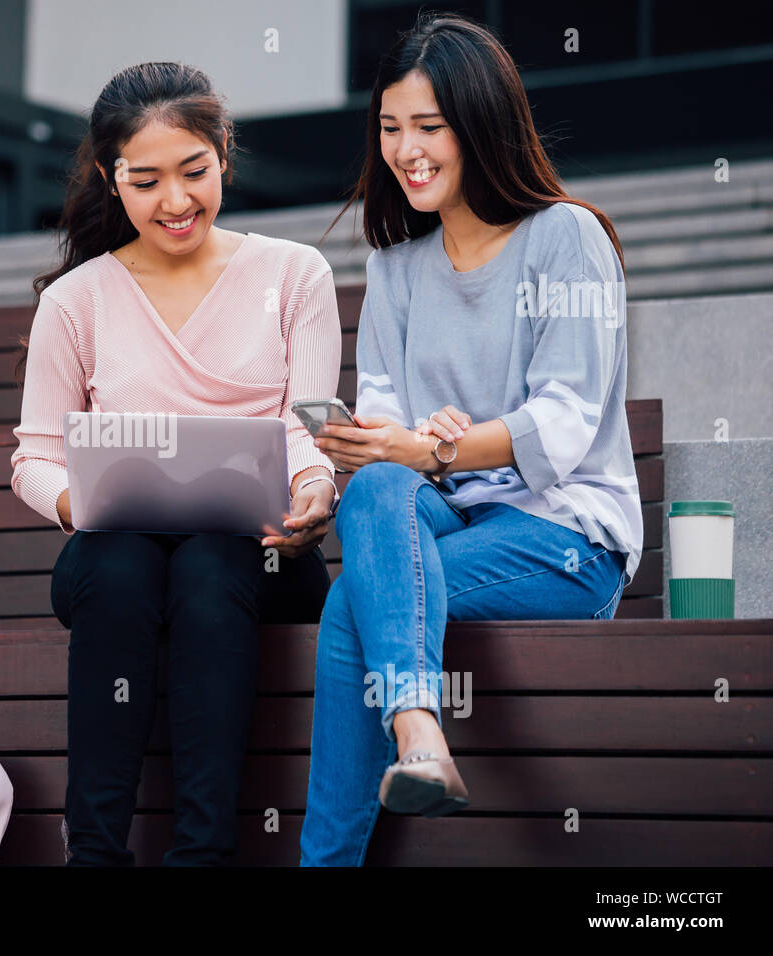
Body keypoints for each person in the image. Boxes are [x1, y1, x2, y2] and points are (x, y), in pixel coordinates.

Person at [298, 13, 643, 866]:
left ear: (480, 124)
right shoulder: (395, 270)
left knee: (354, 601)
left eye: (429, 126)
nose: (406, 149)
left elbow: (563, 424)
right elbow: (386, 428)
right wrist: (403, 444)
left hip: (564, 541)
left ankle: (364, 807)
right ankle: (420, 735)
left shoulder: (567, 239)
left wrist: (447, 448)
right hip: (445, 524)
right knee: (377, 487)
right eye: (389, 129)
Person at [11, 61, 343, 865]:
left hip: (258, 558)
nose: (176, 201)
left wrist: (313, 488)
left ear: (224, 152)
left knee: (208, 565)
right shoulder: (77, 301)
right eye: (147, 180)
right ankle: (93, 854)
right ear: (109, 178)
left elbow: (308, 427)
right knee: (121, 565)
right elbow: (35, 459)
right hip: (119, 556)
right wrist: (79, 502)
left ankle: (202, 855)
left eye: (194, 172)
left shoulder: (296, 276)